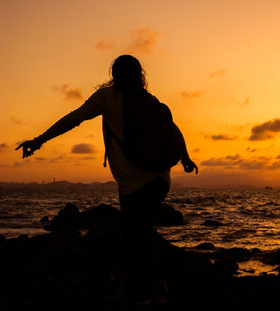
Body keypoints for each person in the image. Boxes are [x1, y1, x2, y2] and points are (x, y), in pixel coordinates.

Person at [16, 55, 198, 304]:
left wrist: (39, 140)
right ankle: (119, 278)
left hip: (133, 184)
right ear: (140, 75)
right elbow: (174, 129)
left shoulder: (107, 98)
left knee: (139, 233)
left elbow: (73, 118)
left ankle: (155, 293)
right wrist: (186, 158)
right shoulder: (150, 101)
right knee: (134, 230)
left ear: (113, 75)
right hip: (161, 182)